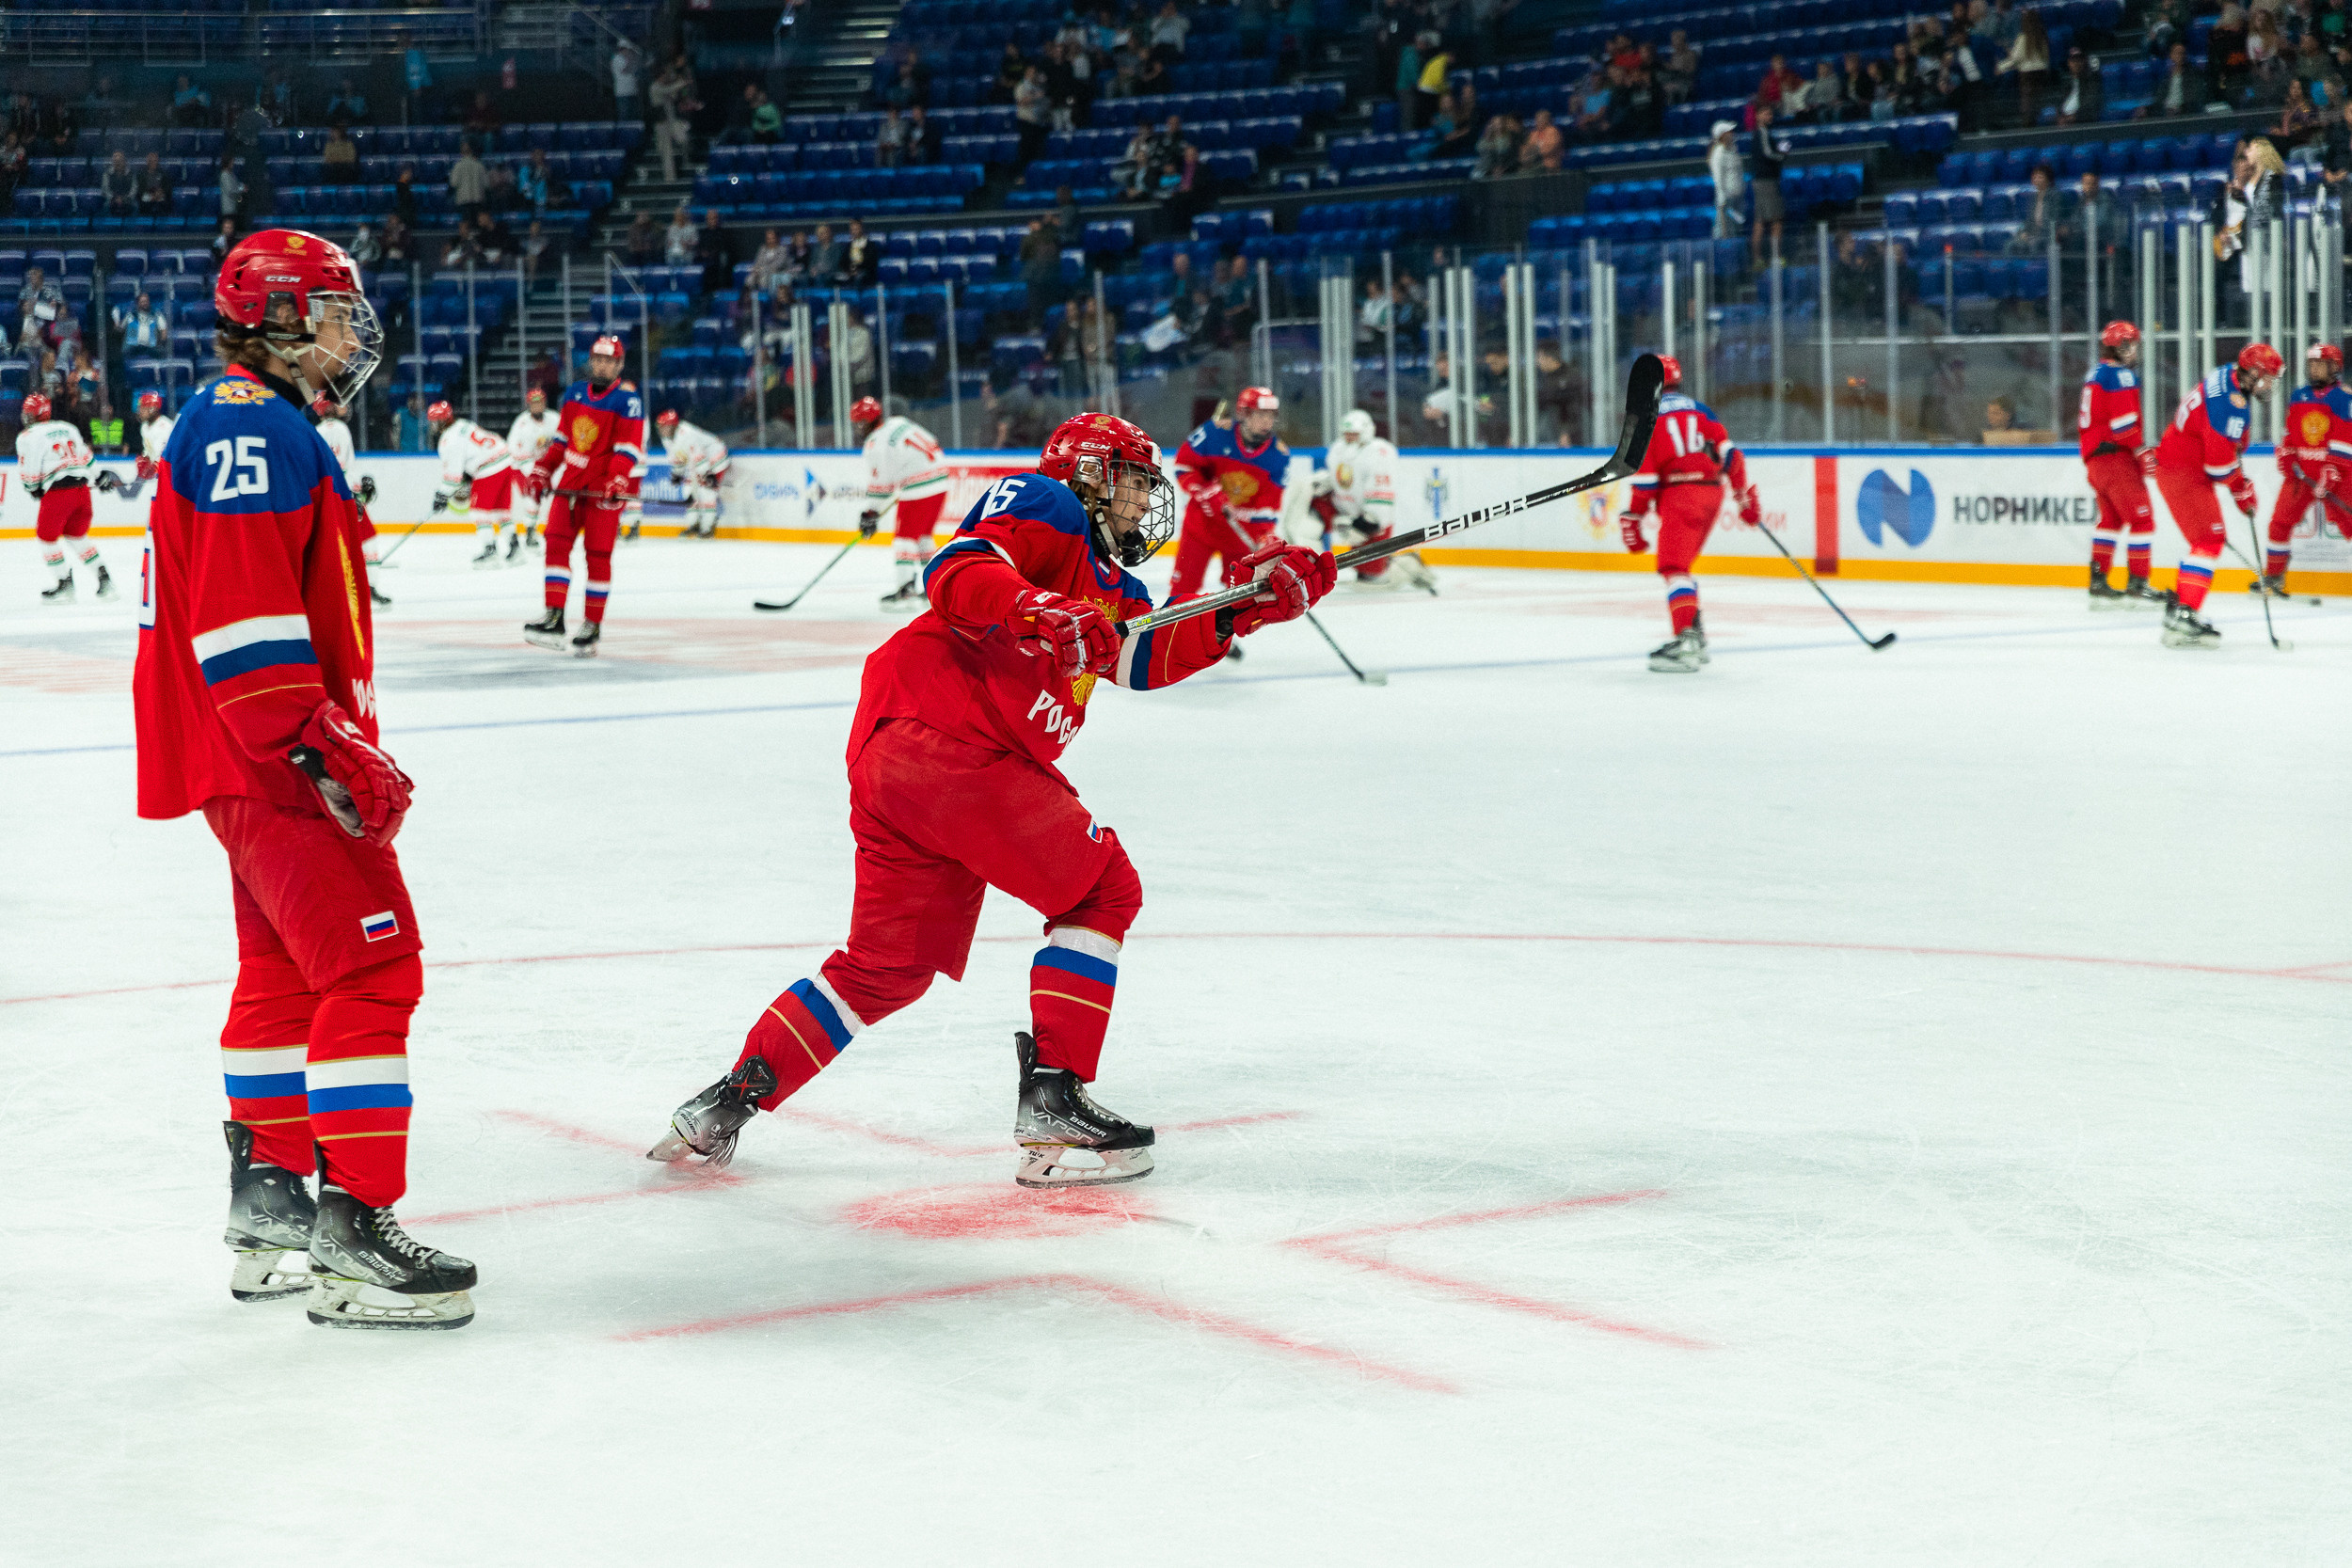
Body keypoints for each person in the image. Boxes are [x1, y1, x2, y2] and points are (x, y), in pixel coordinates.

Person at [646, 414, 1336, 1187]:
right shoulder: (1050, 503)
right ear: (1092, 474)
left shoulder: (1115, 586)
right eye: (1136, 482)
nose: (1147, 502)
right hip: (954, 737)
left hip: (903, 761)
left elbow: (1143, 655)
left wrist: (1248, 604)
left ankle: (726, 1101)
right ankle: (1054, 1098)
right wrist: (1035, 607)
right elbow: (958, 567)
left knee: (887, 967)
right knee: (1102, 888)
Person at [130, 228, 476, 1329]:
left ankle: (271, 1202)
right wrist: (319, 743)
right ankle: (356, 1230)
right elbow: (243, 623)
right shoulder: (252, 426)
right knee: (378, 966)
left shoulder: (243, 418)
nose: (347, 331)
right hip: (271, 759)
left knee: (281, 974)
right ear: (276, 317)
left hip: (241, 760)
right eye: (331, 309)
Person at [1616, 355, 1761, 673]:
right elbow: (1732, 457)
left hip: (1681, 495)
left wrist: (1634, 515)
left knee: (1674, 567)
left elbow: (1646, 481)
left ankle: (1687, 643)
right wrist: (1742, 498)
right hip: (1711, 493)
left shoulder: (1646, 418)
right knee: (1681, 568)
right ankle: (1696, 636)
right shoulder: (1701, 410)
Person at [2150, 341, 2282, 648]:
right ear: (2253, 373)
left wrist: (2236, 442)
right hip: (2184, 472)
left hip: (2180, 466)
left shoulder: (2228, 375)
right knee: (2209, 540)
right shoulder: (2230, 403)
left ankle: (2181, 609)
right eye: (2268, 378)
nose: (2270, 385)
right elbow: (2219, 466)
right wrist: (2240, 488)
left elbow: (2218, 437)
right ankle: (2184, 613)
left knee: (2207, 539)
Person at [522, 334, 645, 657]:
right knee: (555, 543)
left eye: (609, 361)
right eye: (598, 359)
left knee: (597, 555)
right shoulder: (575, 392)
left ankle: (592, 623)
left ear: (619, 364)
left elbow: (627, 449)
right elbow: (562, 441)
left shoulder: (628, 401)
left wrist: (617, 480)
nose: (602, 366)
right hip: (570, 485)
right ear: (591, 361)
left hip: (602, 490)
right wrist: (543, 469)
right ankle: (554, 617)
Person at [1169, 386, 1290, 606]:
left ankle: (1226, 628)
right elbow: (1184, 465)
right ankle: (1175, 627)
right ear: (1244, 414)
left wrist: (1264, 536)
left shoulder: (1278, 456)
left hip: (1240, 534)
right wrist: (1205, 491)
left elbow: (1269, 506)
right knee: (1183, 589)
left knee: (1239, 596)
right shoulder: (1214, 433)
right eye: (1261, 414)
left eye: (1271, 415)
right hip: (1201, 525)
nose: (1267, 421)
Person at [2078, 322, 2165, 608]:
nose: (2134, 350)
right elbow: (2124, 426)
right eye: (2130, 345)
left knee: (2111, 520)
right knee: (2142, 520)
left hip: (2096, 460)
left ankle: (2098, 580)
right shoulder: (2120, 375)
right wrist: (2141, 451)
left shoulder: (2096, 373)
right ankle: (2138, 584)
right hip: (2116, 458)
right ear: (2118, 347)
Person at [2259, 341, 2352, 596]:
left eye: (2320, 364)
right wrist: (2287, 453)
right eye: (2311, 364)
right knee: (2279, 523)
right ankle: (2274, 578)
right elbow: (2290, 430)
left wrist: (2332, 471)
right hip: (2301, 476)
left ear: (2334, 367)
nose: (2314, 369)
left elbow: (2345, 436)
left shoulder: (2344, 396)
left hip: (2337, 475)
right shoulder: (2299, 395)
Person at [1310, 408, 1431, 591]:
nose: (1349, 437)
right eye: (1347, 433)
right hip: (1344, 510)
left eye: (1354, 434)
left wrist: (1367, 524)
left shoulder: (1379, 453)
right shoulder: (1338, 449)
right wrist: (1322, 484)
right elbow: (1338, 478)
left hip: (1369, 519)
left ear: (1366, 432)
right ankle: (1311, 566)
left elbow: (1381, 497)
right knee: (1309, 519)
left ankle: (1409, 566)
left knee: (1370, 572)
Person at [850, 395, 952, 606]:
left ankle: (906, 591)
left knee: (904, 539)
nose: (858, 428)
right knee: (922, 536)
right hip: (941, 479)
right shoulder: (899, 422)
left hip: (919, 486)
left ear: (866, 422)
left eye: (859, 423)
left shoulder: (875, 443)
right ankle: (936, 587)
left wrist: (870, 512)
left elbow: (881, 487)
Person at [17, 393, 112, 604]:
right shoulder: (67, 427)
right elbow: (86, 456)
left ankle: (65, 585)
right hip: (82, 491)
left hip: (58, 493)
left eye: (29, 412)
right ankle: (105, 579)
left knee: (46, 538)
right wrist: (100, 476)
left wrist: (32, 487)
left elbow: (30, 467)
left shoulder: (28, 436)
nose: (26, 416)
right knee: (77, 536)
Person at [311, 396, 389, 605]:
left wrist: (358, 488)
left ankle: (342, 591)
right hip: (344, 495)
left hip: (335, 494)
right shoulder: (338, 428)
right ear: (328, 407)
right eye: (337, 404)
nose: (343, 407)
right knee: (367, 541)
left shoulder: (317, 431)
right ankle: (367, 590)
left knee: (339, 544)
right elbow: (341, 468)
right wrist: (354, 493)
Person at [427, 399, 519, 568]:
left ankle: (490, 552)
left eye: (435, 421)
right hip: (506, 460)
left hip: (489, 468)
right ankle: (516, 548)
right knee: (500, 511)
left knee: (478, 512)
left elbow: (453, 477)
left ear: (443, 420)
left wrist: (441, 495)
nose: (432, 425)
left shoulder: (449, 440)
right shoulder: (463, 424)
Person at [654, 407, 729, 538]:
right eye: (660, 427)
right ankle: (694, 524)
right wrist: (677, 473)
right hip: (697, 462)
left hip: (714, 457)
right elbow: (678, 458)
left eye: (664, 426)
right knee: (688, 491)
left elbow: (699, 456)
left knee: (706, 491)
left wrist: (707, 476)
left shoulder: (687, 434)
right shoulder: (667, 439)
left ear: (673, 426)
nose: (661, 430)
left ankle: (708, 527)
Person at [506, 387, 560, 547]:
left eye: (540, 402)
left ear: (545, 403)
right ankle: (530, 532)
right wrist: (537, 473)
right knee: (532, 498)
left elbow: (566, 438)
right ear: (529, 405)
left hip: (545, 465)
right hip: (523, 466)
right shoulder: (521, 424)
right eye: (534, 403)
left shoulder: (554, 418)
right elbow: (514, 451)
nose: (537, 406)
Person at [1749, 107, 1786, 263]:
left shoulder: (1761, 134)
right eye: (1766, 113)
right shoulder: (1762, 133)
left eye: (1770, 113)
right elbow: (1768, 153)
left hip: (1761, 181)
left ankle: (1758, 259)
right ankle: (1775, 257)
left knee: (1760, 221)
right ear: (1758, 116)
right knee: (1776, 220)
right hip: (1767, 182)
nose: (1769, 116)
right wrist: (1781, 154)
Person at [1708, 120, 1745, 241]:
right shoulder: (1718, 153)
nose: (1732, 134)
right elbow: (1718, 178)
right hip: (1726, 201)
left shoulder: (1733, 150)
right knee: (1725, 233)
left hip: (1737, 198)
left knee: (1736, 231)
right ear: (1722, 135)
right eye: (1729, 131)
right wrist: (1723, 199)